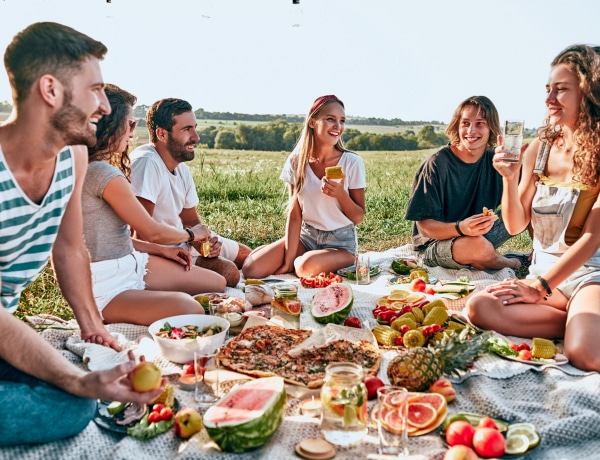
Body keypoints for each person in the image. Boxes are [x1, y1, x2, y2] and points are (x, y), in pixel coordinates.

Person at [0, 22, 164, 446]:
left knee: (76, 397)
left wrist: (92, 326)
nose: (105, 108)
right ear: (50, 90)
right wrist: (75, 381)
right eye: (94, 90)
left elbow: (70, 248)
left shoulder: (71, 157)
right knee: (72, 399)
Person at [465, 44, 600, 372]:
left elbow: (592, 238)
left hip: (589, 276)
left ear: (590, 94)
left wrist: (539, 288)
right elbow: (514, 225)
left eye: (562, 89)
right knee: (479, 307)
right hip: (544, 276)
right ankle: (577, 322)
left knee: (583, 354)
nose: (549, 99)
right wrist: (509, 180)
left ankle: (583, 326)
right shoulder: (538, 149)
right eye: (548, 89)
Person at [83, 84, 226, 325]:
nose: (133, 129)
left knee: (218, 283)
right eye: (129, 122)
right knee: (191, 308)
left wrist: (163, 251)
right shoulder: (104, 175)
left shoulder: (97, 169)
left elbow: (112, 237)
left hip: (131, 263)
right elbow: (151, 230)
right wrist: (192, 234)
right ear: (110, 125)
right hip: (108, 283)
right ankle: (141, 303)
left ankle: (150, 299)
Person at [129, 99, 250, 287]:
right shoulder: (147, 163)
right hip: (160, 252)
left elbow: (191, 220)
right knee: (230, 273)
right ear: (162, 134)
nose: (196, 136)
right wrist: (191, 237)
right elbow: (142, 234)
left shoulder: (180, 167)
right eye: (186, 129)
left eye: (195, 127)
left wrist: (206, 247)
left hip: (184, 239)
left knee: (248, 256)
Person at [242, 95, 366, 279]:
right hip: (306, 238)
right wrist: (286, 261)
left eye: (342, 121)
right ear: (312, 123)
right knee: (251, 269)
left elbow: (358, 217)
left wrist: (341, 195)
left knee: (303, 267)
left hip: (340, 244)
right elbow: (295, 214)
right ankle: (293, 258)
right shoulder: (296, 161)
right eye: (330, 119)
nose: (338, 126)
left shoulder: (352, 162)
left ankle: (344, 262)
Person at [404, 95, 528, 271]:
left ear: (491, 128)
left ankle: (538, 257)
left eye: (480, 123)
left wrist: (515, 173)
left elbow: (527, 198)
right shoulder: (436, 164)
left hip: (481, 231)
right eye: (465, 123)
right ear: (457, 125)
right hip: (437, 243)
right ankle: (515, 262)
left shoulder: (496, 161)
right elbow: (424, 227)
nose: (471, 130)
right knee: (478, 247)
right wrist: (461, 228)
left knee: (529, 204)